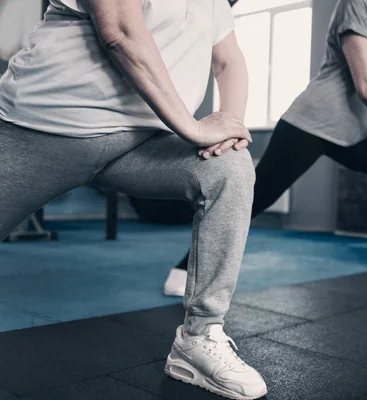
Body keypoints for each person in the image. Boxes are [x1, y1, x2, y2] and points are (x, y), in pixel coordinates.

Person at [0, 0, 267, 398]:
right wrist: (192, 128)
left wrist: (229, 124)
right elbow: (120, 33)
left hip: (139, 145)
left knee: (230, 167)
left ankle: (199, 337)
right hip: (39, 131)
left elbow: (227, 60)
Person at [164, 0, 367, 315]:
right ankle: (186, 266)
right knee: (254, 198)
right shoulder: (358, 5)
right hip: (311, 123)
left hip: (357, 132)